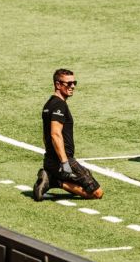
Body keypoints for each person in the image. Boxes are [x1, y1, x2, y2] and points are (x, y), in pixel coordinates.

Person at [33, 69, 103, 201]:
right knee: (96, 193)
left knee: (83, 179)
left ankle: (51, 176)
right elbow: (55, 134)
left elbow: (45, 136)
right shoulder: (59, 106)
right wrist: (65, 163)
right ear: (58, 84)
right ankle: (54, 181)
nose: (73, 86)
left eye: (74, 83)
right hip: (63, 160)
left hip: (49, 159)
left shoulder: (49, 104)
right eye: (69, 83)